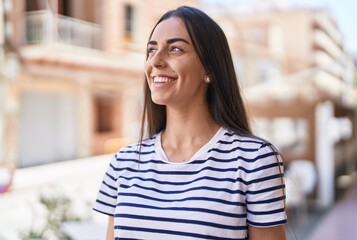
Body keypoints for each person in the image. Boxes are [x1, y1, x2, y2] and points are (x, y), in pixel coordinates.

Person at [93, 6, 287, 240]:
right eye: (151, 50)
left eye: (175, 49)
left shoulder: (254, 160)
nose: (155, 61)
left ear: (210, 68)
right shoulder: (123, 163)